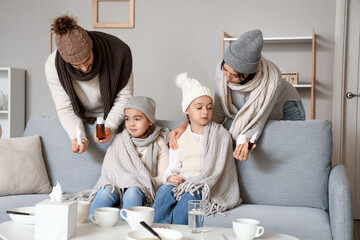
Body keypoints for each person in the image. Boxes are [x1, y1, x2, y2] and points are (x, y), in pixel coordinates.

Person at [170, 29, 305, 161]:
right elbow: (218, 113)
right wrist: (186, 126)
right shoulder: (221, 70)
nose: (227, 77)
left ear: (250, 75)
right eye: (225, 70)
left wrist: (247, 140)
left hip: (285, 110)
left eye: (234, 75)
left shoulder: (271, 81)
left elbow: (257, 121)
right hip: (248, 112)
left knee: (281, 153)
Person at [152, 73, 241, 225]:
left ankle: (178, 233)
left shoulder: (220, 135)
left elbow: (221, 171)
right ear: (187, 110)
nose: (205, 112)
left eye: (210, 107)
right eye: (199, 108)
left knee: (190, 195)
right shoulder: (179, 136)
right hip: (181, 181)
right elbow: (173, 166)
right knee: (164, 192)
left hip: (203, 184)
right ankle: (158, 231)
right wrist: (169, 177)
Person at [45, 15, 133, 154]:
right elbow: (65, 108)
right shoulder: (53, 65)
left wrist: (109, 126)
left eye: (87, 60)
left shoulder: (118, 52)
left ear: (91, 47)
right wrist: (78, 136)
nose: (85, 68)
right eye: (76, 65)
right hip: (79, 118)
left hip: (114, 117)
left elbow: (124, 97)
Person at [70, 96, 169, 216]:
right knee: (105, 192)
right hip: (116, 184)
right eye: (127, 119)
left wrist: (139, 179)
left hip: (141, 187)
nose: (131, 124)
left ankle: (125, 228)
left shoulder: (159, 143)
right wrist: (123, 179)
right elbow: (110, 169)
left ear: (149, 121)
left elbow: (163, 177)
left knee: (133, 192)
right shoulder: (120, 140)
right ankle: (90, 223)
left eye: (137, 119)